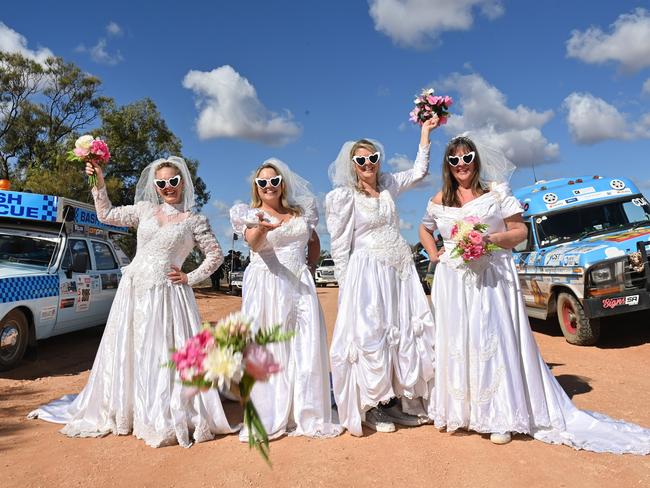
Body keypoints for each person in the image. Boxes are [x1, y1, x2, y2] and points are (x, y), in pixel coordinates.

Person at [419, 135, 650, 453]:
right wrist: (435, 255)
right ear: (448, 164)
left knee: (493, 339)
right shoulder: (438, 200)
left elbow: (520, 232)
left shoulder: (496, 192)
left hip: (491, 279)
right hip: (455, 283)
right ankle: (464, 411)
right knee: (461, 339)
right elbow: (424, 227)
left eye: (467, 156)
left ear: (476, 159)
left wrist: (488, 239)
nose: (462, 164)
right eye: (455, 159)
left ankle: (500, 414)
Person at [29, 157, 237, 447]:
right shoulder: (145, 210)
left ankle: (160, 407)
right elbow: (106, 214)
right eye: (161, 183)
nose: (168, 187)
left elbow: (215, 256)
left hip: (168, 295)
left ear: (183, 183)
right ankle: (129, 407)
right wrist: (98, 183)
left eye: (173, 182)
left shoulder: (194, 220)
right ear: (155, 186)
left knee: (162, 349)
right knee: (131, 346)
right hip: (134, 289)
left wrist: (190, 277)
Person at [325, 117, 438, 436]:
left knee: (401, 331)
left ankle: (398, 401)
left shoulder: (388, 184)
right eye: (360, 160)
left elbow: (419, 171)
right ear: (352, 164)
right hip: (367, 272)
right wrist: (346, 286)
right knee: (371, 334)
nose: (367, 163)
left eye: (372, 158)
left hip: (398, 271)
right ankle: (371, 405)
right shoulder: (344, 196)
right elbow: (339, 243)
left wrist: (425, 133)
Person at [229, 158, 341, 440]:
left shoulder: (301, 212)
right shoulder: (247, 213)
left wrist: (311, 267)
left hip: (299, 282)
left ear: (282, 184)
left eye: (274, 181)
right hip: (266, 284)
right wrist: (263, 228)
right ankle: (270, 411)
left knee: (304, 343)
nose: (269, 186)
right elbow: (253, 244)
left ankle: (306, 409)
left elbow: (313, 241)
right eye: (263, 182)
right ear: (257, 187)